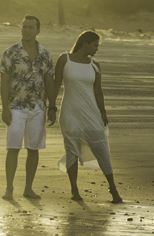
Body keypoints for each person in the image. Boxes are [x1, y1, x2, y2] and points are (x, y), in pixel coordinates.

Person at [51, 30, 122, 203]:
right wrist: (51, 107)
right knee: (71, 150)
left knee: (101, 148)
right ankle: (74, 190)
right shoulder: (64, 59)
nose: (97, 49)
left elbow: (98, 91)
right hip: (69, 112)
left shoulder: (95, 64)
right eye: (95, 45)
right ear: (86, 43)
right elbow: (55, 84)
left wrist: (103, 112)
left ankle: (113, 189)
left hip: (91, 112)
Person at [0, 15, 55, 200]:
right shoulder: (11, 52)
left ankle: (28, 188)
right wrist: (5, 108)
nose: (27, 30)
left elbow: (49, 81)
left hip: (38, 107)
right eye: (24, 27)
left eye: (31, 27)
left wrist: (52, 106)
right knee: (13, 147)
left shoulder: (45, 54)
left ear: (38, 30)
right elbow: (4, 81)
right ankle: (9, 189)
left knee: (33, 148)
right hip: (16, 106)